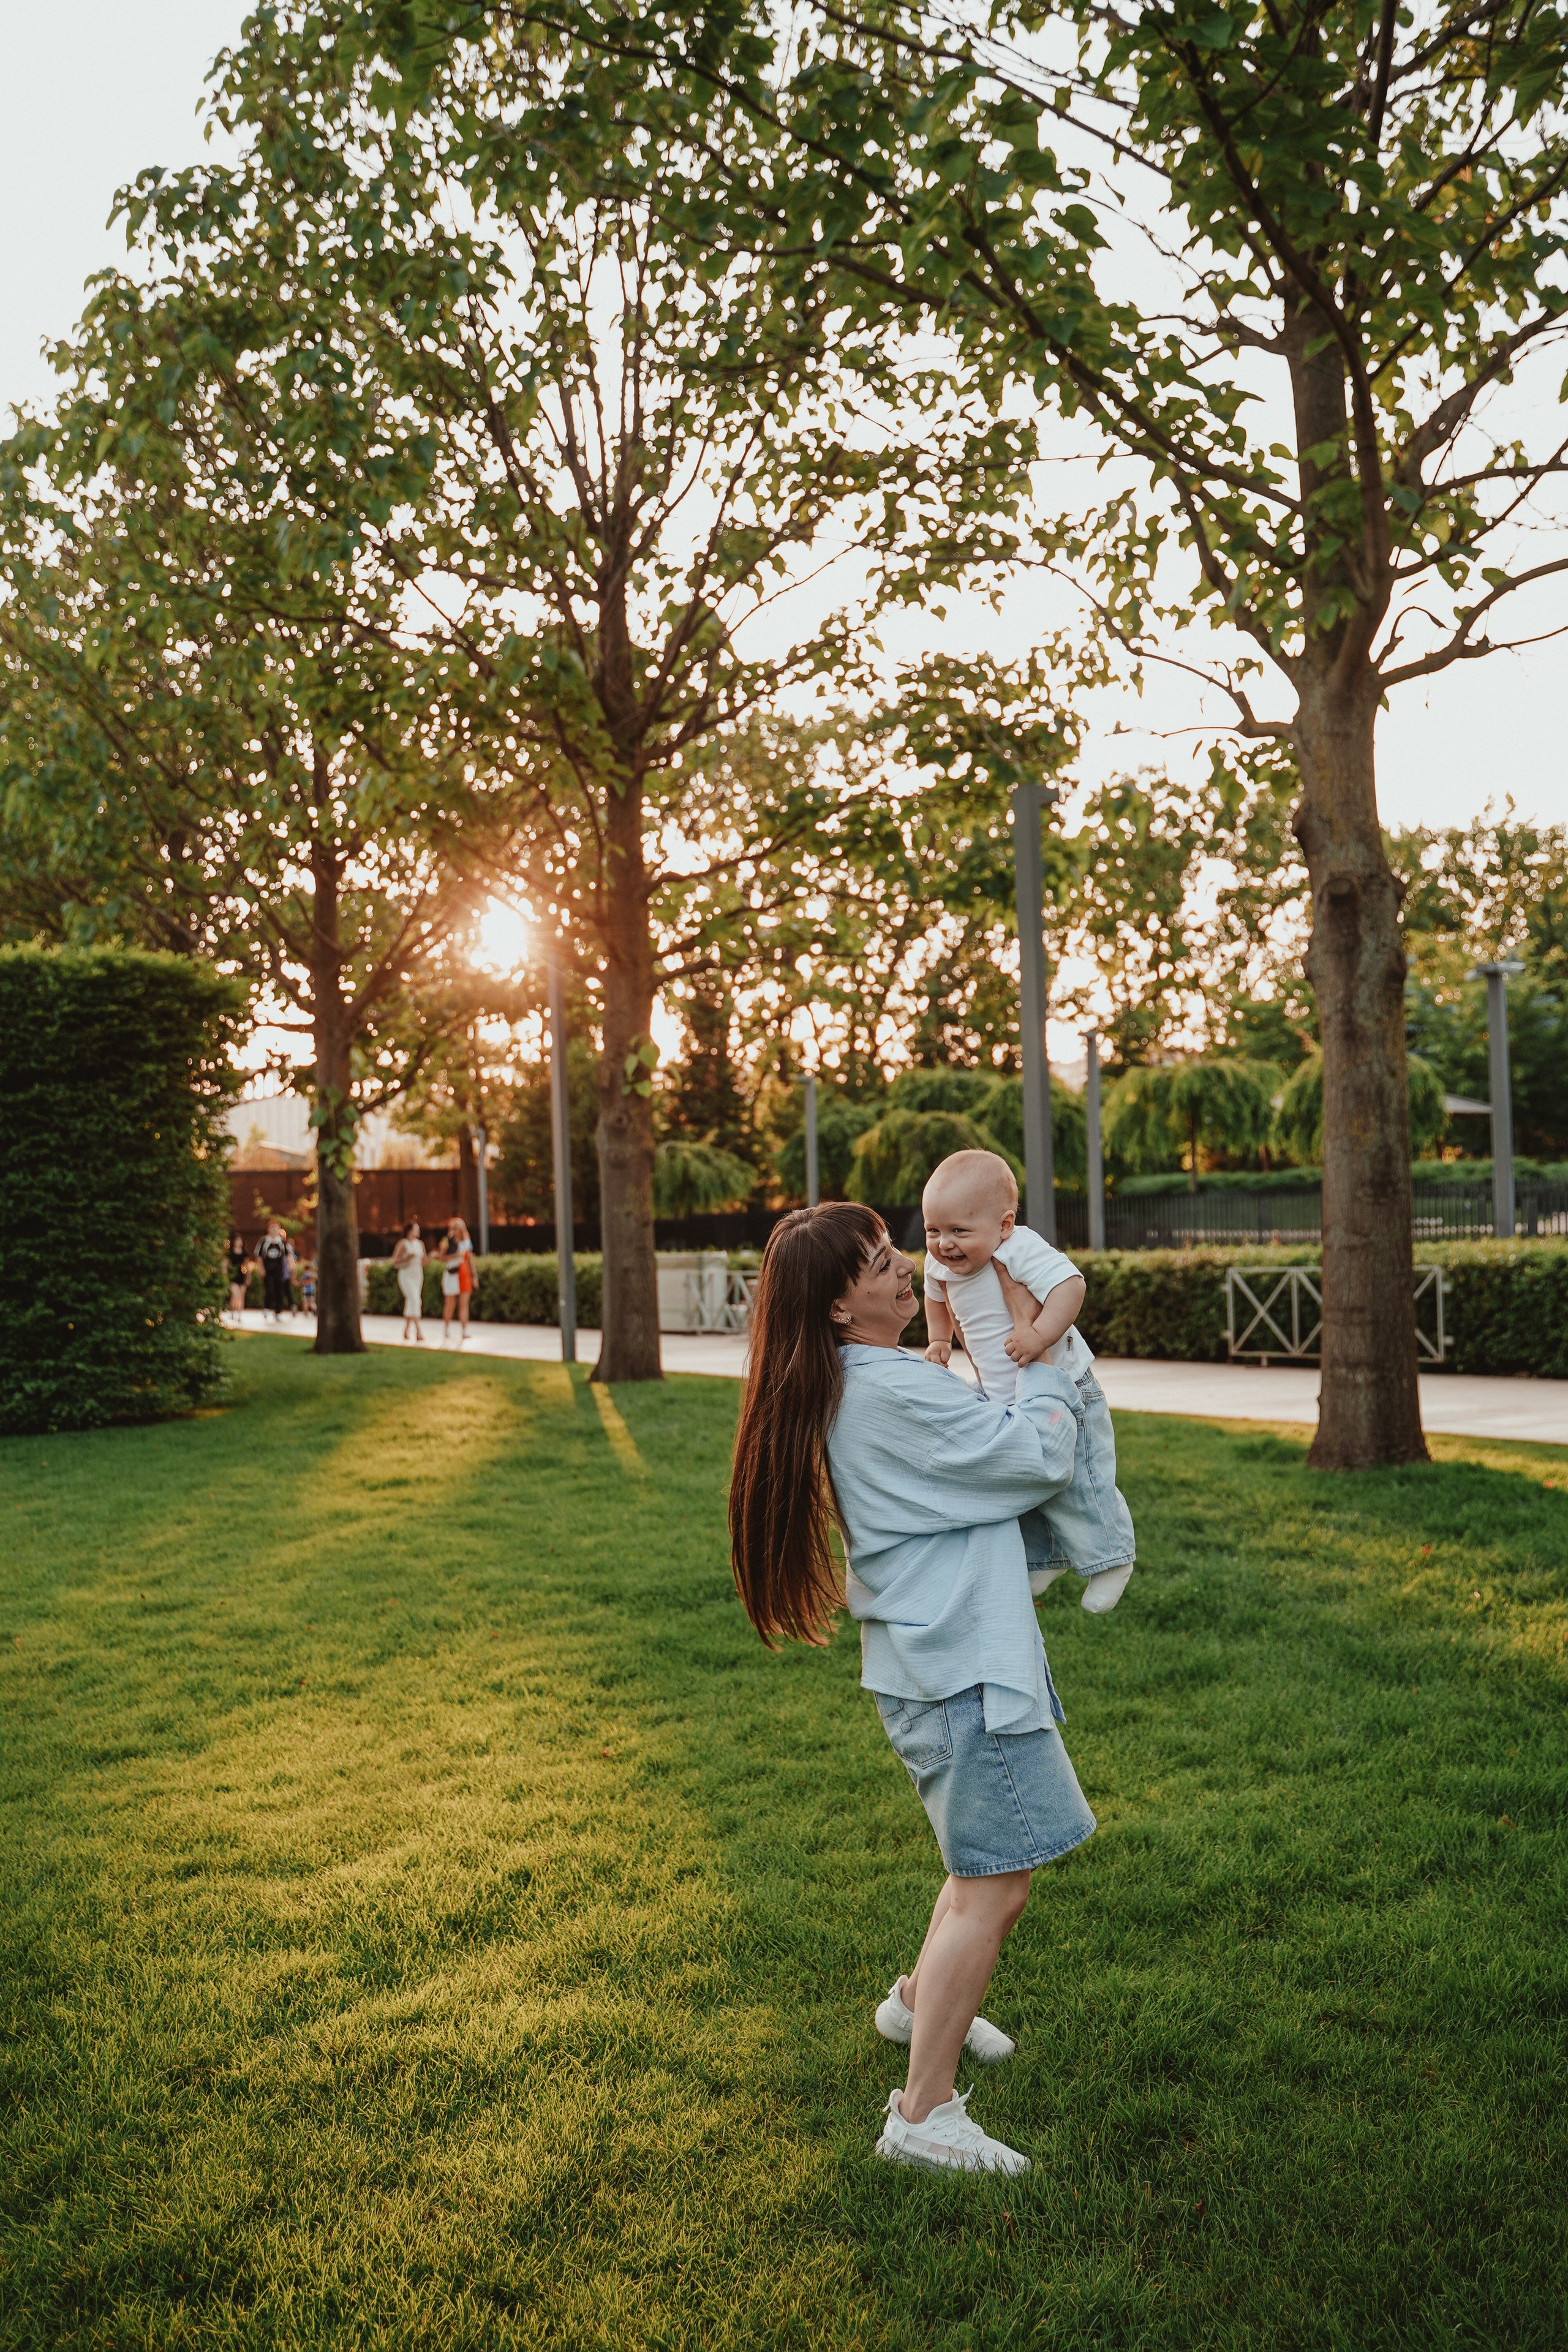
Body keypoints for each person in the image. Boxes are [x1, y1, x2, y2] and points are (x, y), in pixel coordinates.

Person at [729, 1202, 1096, 2178]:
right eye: (884, 1264)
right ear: (842, 1310)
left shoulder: (867, 1378)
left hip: (935, 1663)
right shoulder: (889, 1391)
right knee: (999, 1881)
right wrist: (1052, 1364)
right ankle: (922, 2114)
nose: (910, 1273)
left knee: (976, 1862)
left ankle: (912, 2004)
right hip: (960, 1668)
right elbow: (1036, 1456)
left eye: (897, 1254)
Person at [921, 1150, 1136, 1614]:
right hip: (1008, 1397)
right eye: (933, 1230)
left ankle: (1112, 1557)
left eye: (959, 1231)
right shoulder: (938, 1262)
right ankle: (1044, 1558)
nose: (944, 1244)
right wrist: (939, 1339)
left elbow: (1070, 1286)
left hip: (1065, 1385)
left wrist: (1038, 1334)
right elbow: (934, 1298)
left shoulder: (1016, 1248)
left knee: (1080, 1476)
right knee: (1026, 1482)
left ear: (1004, 1224)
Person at [438, 1216, 475, 1343]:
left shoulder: (467, 1242)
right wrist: (455, 1255)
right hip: (451, 1274)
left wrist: (474, 1275)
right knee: (450, 1303)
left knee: (464, 1304)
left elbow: (470, 1259)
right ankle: (447, 1327)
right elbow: (441, 1257)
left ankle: (464, 1330)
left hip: (464, 1274)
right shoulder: (446, 1241)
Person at [393, 1218, 427, 1343]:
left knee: (412, 1301)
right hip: (406, 1275)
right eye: (415, 1229)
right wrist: (407, 1258)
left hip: (418, 1274)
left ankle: (406, 1330)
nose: (418, 1232)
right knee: (415, 1300)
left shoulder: (420, 1244)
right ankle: (418, 1331)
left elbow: (425, 1261)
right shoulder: (403, 1244)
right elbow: (395, 1261)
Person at [257, 1219, 292, 1323]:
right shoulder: (264, 1241)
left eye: (277, 1228)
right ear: (268, 1229)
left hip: (278, 1270)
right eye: (273, 1228)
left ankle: (278, 1312)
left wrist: (291, 1265)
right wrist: (261, 1268)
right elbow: (259, 1256)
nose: (275, 1230)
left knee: (279, 1291)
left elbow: (287, 1255)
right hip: (268, 1270)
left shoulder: (281, 1242)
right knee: (269, 1290)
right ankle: (267, 1307)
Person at [226, 1233, 250, 1319]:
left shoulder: (245, 1254)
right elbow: (225, 1266)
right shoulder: (230, 1254)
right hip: (232, 1276)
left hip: (241, 1276)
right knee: (236, 1294)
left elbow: (247, 1267)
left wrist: (248, 1277)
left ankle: (240, 1315)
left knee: (242, 1295)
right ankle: (232, 1311)